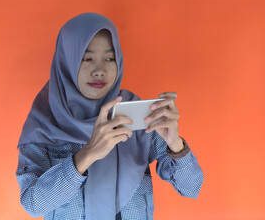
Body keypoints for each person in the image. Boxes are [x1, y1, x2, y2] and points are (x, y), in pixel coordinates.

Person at [16, 12, 204, 220]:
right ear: (66, 61)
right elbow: (32, 204)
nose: (100, 70)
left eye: (109, 58)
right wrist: (86, 155)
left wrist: (175, 144)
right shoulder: (45, 124)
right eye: (87, 58)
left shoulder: (135, 115)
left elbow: (192, 188)